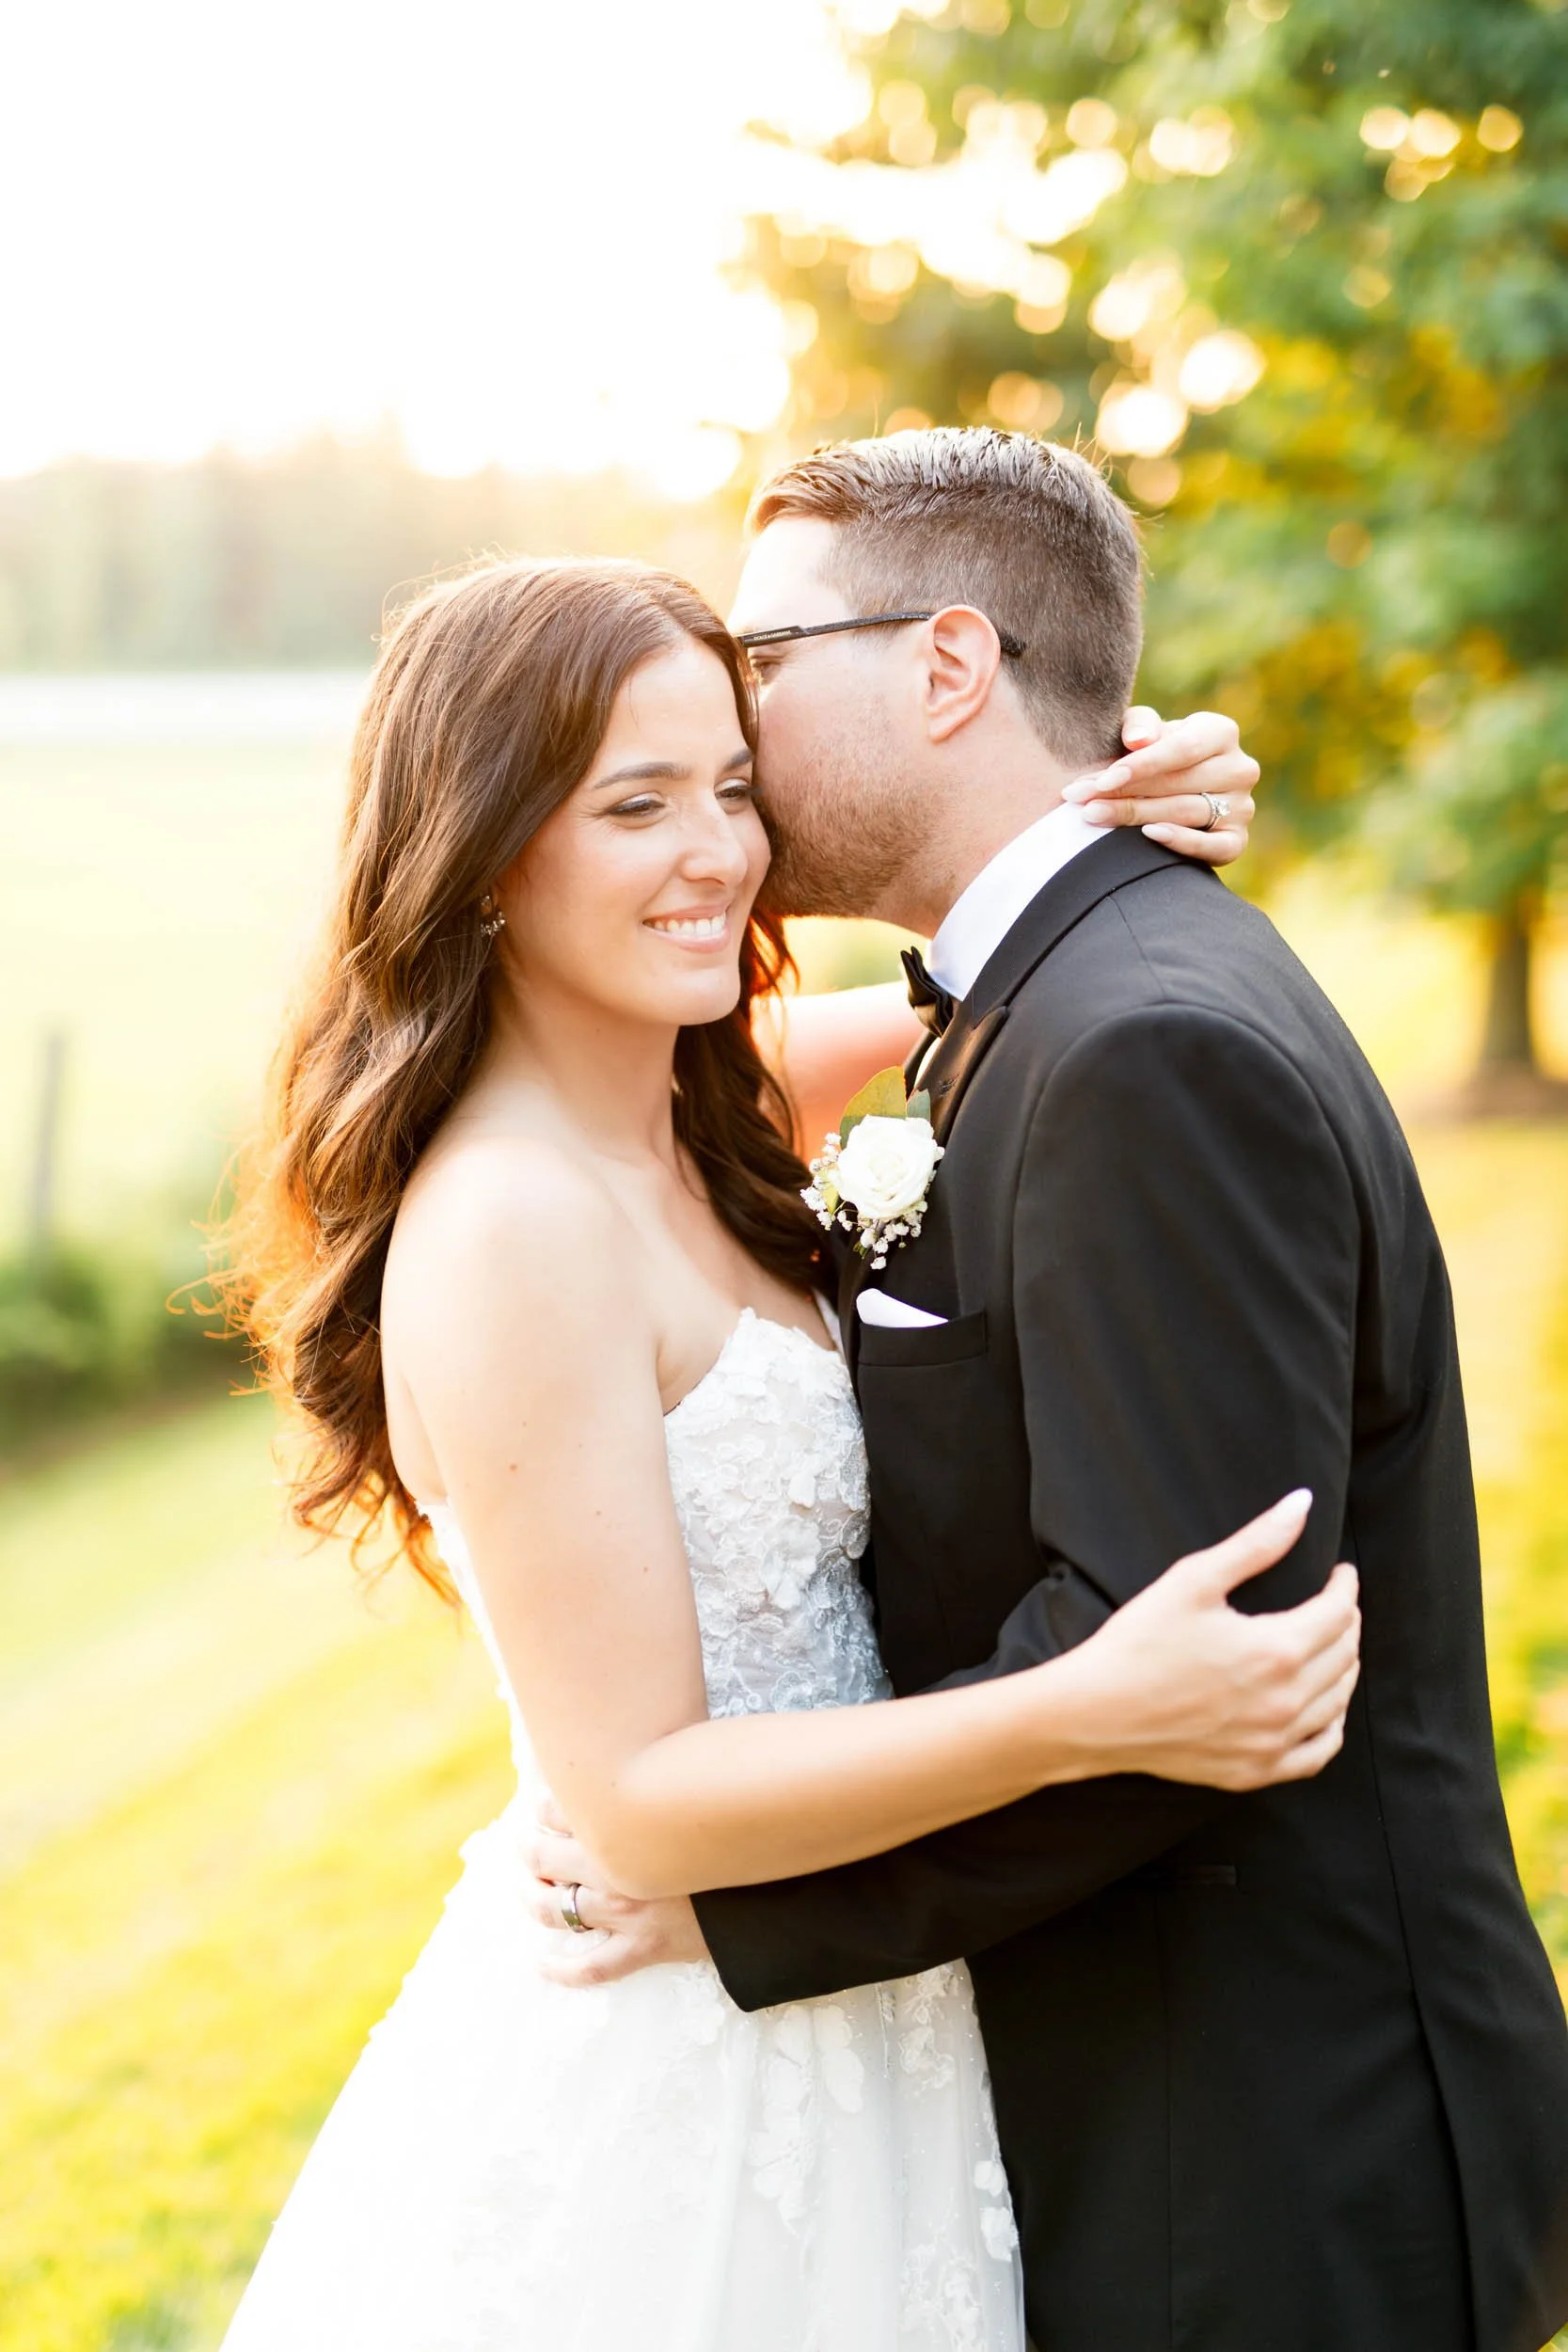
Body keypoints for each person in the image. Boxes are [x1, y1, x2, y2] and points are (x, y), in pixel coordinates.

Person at [220, 547, 1358, 2350]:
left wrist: (1134, 790)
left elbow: (1012, 958)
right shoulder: (512, 1222)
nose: (720, 855)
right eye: (636, 803)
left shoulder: (702, 1097)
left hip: (873, 2008)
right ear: (486, 850)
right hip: (673, 2061)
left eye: (733, 788)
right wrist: (1096, 1702)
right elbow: (634, 1798)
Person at [533, 431, 1568, 2352]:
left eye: (761, 659)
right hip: (1157, 2106)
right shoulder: (1023, 996)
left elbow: (1183, 1671)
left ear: (946, 664)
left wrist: (744, 1909)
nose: (730, 720)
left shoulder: (1134, 1046)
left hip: (1262, 2155)